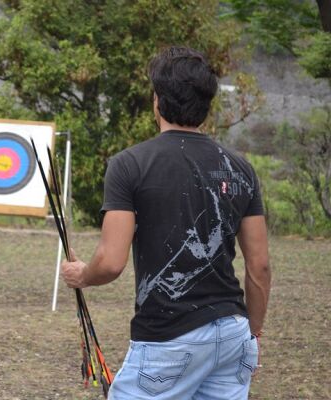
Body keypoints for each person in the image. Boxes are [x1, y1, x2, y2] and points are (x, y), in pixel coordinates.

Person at [61, 46, 271, 400]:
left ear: (157, 101)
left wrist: (80, 275)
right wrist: (254, 333)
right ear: (206, 105)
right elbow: (260, 266)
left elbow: (111, 263)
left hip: (167, 336)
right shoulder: (241, 168)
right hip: (234, 333)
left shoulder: (129, 165)